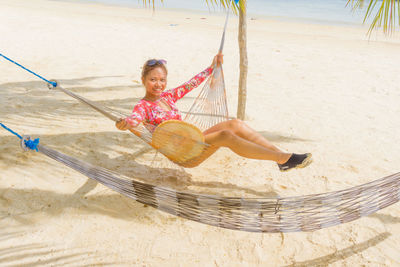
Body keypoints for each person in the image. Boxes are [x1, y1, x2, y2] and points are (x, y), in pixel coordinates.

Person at [116, 54, 312, 171]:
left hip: (192, 142)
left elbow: (191, 83)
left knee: (234, 123)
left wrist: (212, 67)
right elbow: (134, 120)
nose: (158, 84)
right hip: (183, 153)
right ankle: (281, 159)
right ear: (143, 80)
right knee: (226, 135)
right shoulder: (143, 106)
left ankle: (282, 157)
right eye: (153, 80)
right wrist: (125, 123)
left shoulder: (168, 97)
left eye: (162, 80)